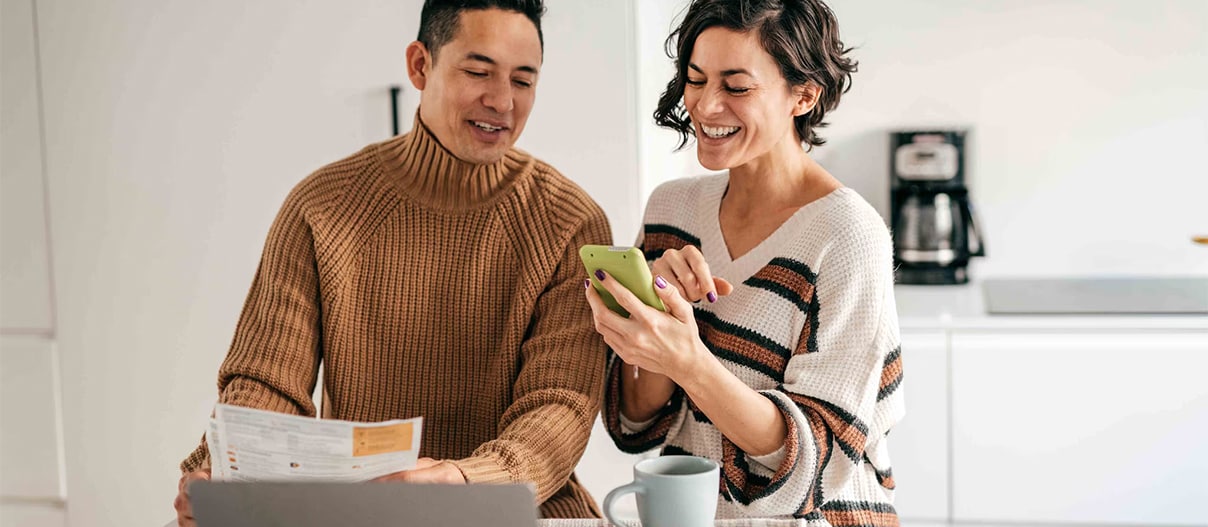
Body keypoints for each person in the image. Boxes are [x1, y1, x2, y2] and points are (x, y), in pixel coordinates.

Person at [173, 0, 612, 524]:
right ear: (420, 66)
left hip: (521, 508)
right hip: (364, 509)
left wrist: (466, 481)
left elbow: (559, 407)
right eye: (478, 71)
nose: (502, 101)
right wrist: (224, 469)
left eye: (523, 80)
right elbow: (267, 384)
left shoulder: (570, 224)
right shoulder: (320, 207)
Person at [585, 0, 904, 523]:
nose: (706, 107)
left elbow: (815, 465)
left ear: (803, 95)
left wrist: (692, 362)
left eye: (736, 87)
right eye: (695, 79)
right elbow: (636, 421)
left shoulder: (848, 234)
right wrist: (655, 319)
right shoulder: (672, 209)